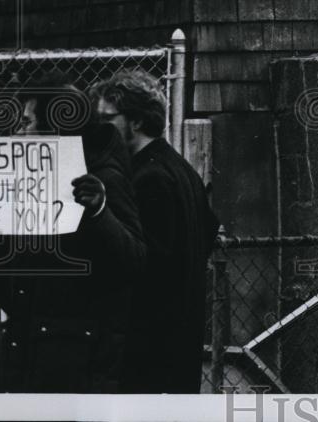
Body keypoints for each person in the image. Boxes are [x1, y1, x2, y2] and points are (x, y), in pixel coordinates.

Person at [0, 72, 146, 392]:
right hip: (34, 344)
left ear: (53, 130)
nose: (17, 132)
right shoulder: (30, 179)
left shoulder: (102, 178)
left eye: (26, 123)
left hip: (73, 357)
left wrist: (98, 211)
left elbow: (132, 258)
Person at [95, 69, 219, 393]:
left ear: (135, 121)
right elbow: (209, 230)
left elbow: (145, 265)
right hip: (180, 346)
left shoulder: (147, 179)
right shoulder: (182, 170)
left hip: (149, 352)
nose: (100, 128)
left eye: (107, 118)